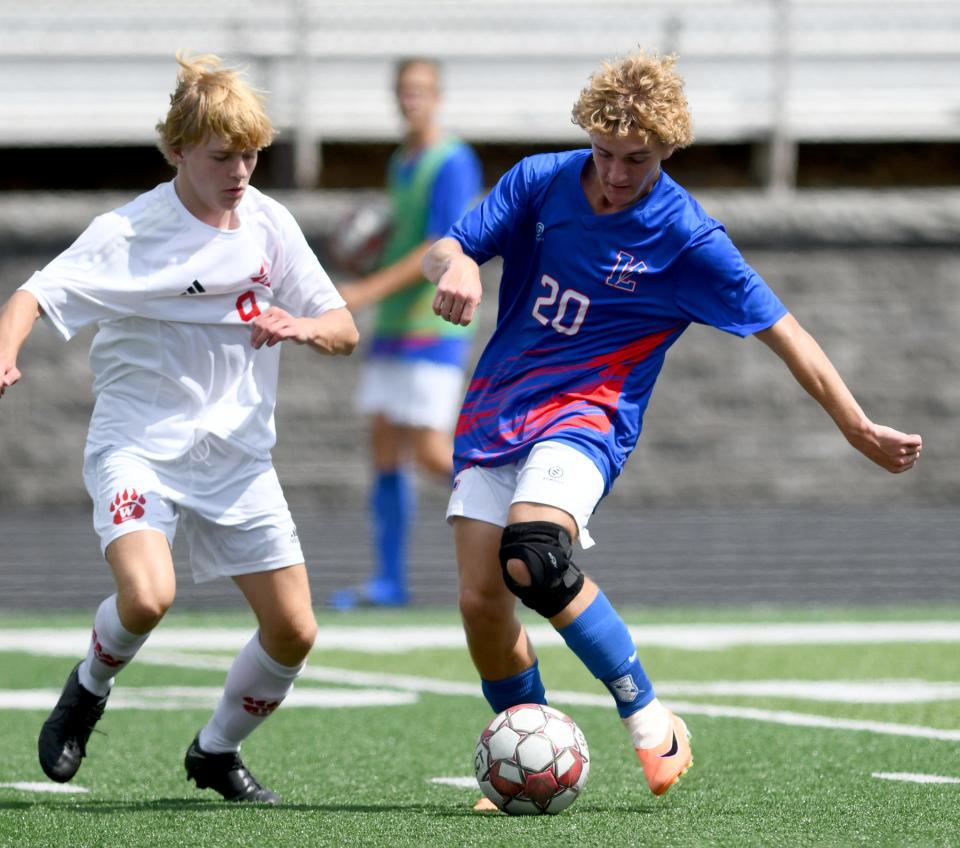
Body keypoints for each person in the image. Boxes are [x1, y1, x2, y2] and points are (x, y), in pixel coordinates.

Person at [422, 51, 923, 804]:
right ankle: (530, 753)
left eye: (639, 159)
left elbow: (785, 330)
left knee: (532, 554)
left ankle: (650, 714)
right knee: (480, 600)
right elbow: (446, 246)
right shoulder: (540, 181)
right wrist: (456, 264)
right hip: (499, 406)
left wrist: (854, 423)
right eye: (606, 154)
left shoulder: (686, 235)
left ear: (668, 149)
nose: (618, 173)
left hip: (588, 416)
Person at [0, 53, 358, 803]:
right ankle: (88, 689)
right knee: (148, 595)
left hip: (238, 457)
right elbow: (31, 294)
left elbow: (343, 326)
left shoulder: (270, 223)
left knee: (295, 630)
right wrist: (5, 352)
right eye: (222, 156)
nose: (240, 172)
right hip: (140, 448)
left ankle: (215, 749)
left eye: (252, 155)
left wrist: (302, 326)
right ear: (177, 152)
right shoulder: (128, 231)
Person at [328, 57, 482, 609]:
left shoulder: (452, 160)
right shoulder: (403, 161)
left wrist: (364, 291)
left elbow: (437, 246)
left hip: (430, 324)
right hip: (395, 325)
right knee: (385, 448)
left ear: (438, 96)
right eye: (404, 90)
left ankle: (521, 517)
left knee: (432, 453)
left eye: (421, 90)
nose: (411, 99)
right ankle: (390, 580)